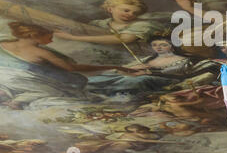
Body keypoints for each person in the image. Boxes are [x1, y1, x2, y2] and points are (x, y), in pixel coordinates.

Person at [0, 22, 133, 108]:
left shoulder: (3, 43)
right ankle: (17, 101)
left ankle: (8, 95)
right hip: (18, 79)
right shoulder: (41, 52)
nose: (51, 41)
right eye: (49, 37)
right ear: (34, 36)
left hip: (3, 78)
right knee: (55, 91)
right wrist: (113, 66)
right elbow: (72, 68)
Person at [87, 37, 193, 96]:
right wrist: (131, 68)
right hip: (140, 75)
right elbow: (129, 67)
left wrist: (149, 72)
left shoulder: (181, 59)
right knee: (111, 75)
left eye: (163, 45)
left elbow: (175, 72)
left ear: (172, 47)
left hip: (165, 79)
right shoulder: (149, 58)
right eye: (155, 45)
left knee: (138, 80)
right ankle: (88, 86)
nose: (158, 47)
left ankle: (106, 93)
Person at [54, 0, 165, 45]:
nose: (130, 14)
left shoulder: (144, 25)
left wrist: (73, 38)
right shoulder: (99, 23)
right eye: (126, 10)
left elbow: (124, 39)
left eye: (135, 13)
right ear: (111, 9)